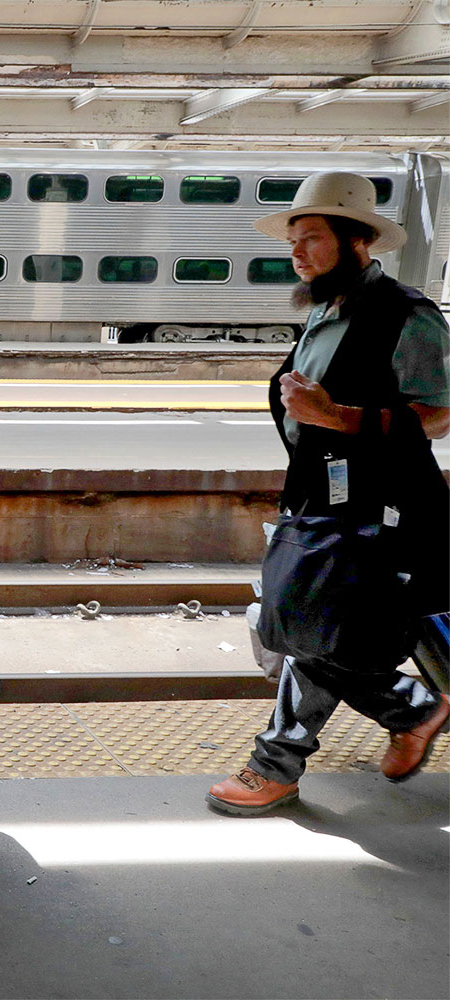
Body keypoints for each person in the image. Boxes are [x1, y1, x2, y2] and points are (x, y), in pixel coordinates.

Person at [206, 172, 450, 816]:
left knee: (309, 629)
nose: (298, 251)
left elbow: (439, 413)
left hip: (380, 508)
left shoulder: (407, 313)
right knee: (306, 626)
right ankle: (402, 713)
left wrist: (339, 418)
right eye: (295, 239)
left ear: (358, 240)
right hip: (321, 500)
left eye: (312, 237)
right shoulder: (326, 309)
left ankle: (282, 762)